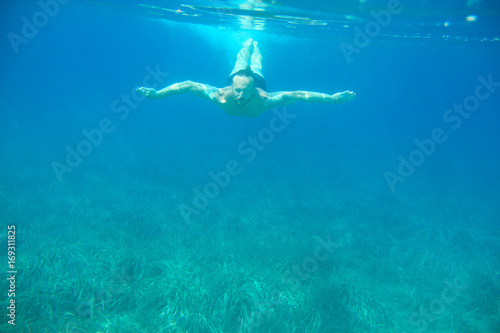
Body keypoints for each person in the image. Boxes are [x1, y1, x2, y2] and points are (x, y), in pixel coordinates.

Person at [136, 39, 356, 117]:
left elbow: (298, 95)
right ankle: (246, 44)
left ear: (253, 90)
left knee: (257, 64)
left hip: (256, 79)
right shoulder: (222, 95)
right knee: (241, 60)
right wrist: (157, 95)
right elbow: (188, 85)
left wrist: (333, 98)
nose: (240, 95)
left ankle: (256, 47)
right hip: (239, 76)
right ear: (231, 85)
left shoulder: (264, 98)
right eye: (237, 89)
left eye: (244, 91)